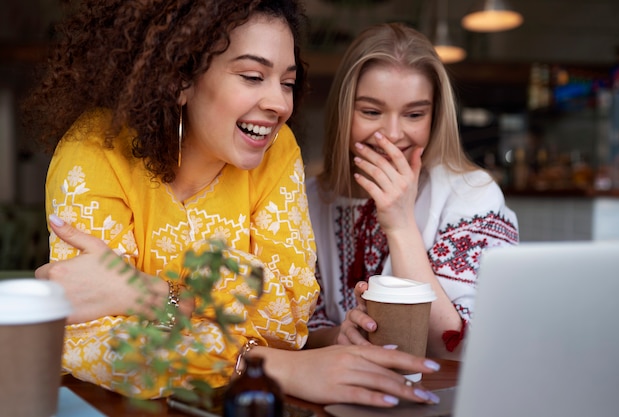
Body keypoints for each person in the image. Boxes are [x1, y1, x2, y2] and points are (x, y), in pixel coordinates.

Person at [24, 0, 442, 407]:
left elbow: (290, 314)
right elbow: (98, 341)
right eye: (252, 76)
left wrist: (147, 294)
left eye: (287, 82)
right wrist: (266, 364)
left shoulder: (277, 151)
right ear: (180, 78)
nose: (279, 104)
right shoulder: (96, 148)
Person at [304, 23, 519, 360]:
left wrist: (401, 224)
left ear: (435, 117)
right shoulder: (307, 199)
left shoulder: (473, 195)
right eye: (371, 112)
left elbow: (461, 344)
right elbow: (294, 331)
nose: (391, 134)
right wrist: (340, 336)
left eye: (414, 114)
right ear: (343, 112)